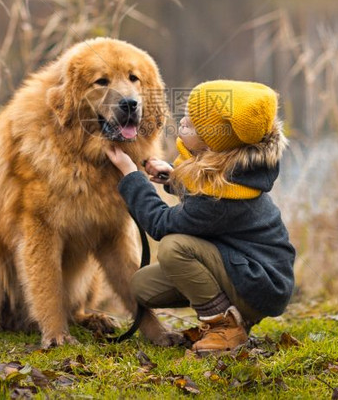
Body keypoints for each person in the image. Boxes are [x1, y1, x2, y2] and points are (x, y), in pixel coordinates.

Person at [105, 80, 296, 354]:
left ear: (213, 142)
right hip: (244, 267)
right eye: (186, 114)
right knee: (144, 286)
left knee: (174, 247)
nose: (182, 122)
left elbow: (161, 223)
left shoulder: (221, 199)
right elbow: (203, 190)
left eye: (193, 125)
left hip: (261, 283)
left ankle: (224, 327)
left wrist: (131, 177)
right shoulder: (233, 171)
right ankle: (234, 317)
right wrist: (173, 175)